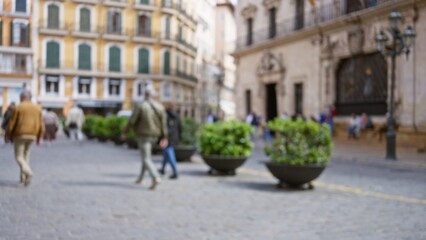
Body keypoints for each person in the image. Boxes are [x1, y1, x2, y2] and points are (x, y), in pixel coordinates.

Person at [121, 83, 168, 190]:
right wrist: (165, 137)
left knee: (146, 158)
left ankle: (155, 177)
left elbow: (132, 120)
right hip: (155, 135)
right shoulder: (160, 106)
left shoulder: (140, 105)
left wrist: (125, 131)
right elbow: (163, 124)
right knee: (146, 156)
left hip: (143, 135)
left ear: (144, 94)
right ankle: (141, 178)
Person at [5, 91, 45, 186]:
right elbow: (41, 124)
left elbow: (11, 124)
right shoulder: (37, 108)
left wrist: (7, 135)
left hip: (20, 135)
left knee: (18, 156)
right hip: (32, 135)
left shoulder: (18, 107)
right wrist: (40, 137)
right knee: (26, 156)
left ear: (22, 97)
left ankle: (29, 172)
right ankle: (23, 178)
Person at [159, 104, 180, 179]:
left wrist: (162, 137)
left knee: (170, 154)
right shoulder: (177, 115)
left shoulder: (166, 115)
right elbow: (180, 127)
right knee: (166, 154)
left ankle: (175, 172)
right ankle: (162, 169)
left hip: (167, 137)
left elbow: (164, 127)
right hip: (174, 137)